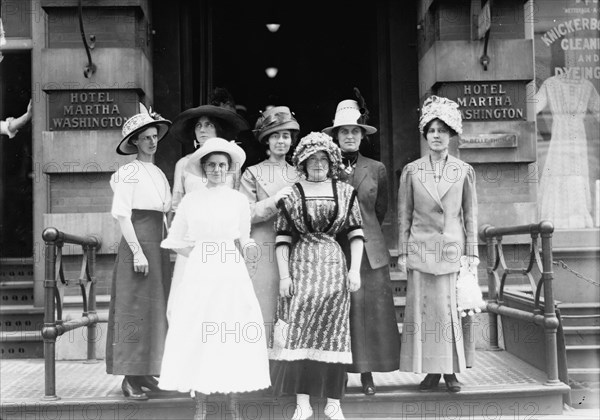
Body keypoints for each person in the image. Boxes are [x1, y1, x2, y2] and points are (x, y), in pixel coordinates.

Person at [159, 137, 270, 420]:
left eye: (223, 165)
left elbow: (244, 238)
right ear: (204, 169)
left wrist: (250, 249)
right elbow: (174, 240)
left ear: (230, 169)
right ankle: (202, 405)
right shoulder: (191, 201)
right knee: (200, 332)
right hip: (200, 273)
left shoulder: (238, 201)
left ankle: (233, 404)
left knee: (231, 332)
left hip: (231, 273)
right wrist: (197, 255)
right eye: (212, 165)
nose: (218, 170)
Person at [270, 132, 364, 420]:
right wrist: (285, 276)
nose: (319, 164)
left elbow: (356, 233)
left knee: (335, 334)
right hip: (302, 265)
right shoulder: (292, 192)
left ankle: (334, 402)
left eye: (324, 159)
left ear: (332, 161)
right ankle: (303, 402)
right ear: (303, 162)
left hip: (334, 265)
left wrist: (355, 269)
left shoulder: (346, 192)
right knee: (300, 331)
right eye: (313, 159)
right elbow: (282, 237)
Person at [397, 95, 478, 393]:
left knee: (449, 313)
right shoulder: (412, 171)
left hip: (451, 251)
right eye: (431, 130)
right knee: (425, 313)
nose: (436, 136)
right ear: (425, 134)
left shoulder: (463, 170)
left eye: (442, 131)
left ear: (451, 135)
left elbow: (470, 214)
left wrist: (472, 252)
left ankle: (451, 372)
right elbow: (404, 214)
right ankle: (430, 372)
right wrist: (403, 252)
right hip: (420, 250)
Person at [323, 99, 399, 396]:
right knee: (339, 311)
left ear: (362, 135)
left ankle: (367, 373)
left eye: (355, 131)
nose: (350, 136)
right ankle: (338, 372)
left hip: (369, 249)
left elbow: (380, 210)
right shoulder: (325, 166)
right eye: (344, 132)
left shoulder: (376, 168)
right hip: (336, 247)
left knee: (369, 313)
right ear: (336, 136)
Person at [106, 103, 172, 400]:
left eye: (154, 135)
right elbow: (122, 215)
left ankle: (146, 371)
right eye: (145, 137)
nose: (152, 141)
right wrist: (137, 252)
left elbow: (166, 214)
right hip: (138, 246)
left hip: (157, 246)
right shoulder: (128, 171)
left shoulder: (157, 172)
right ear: (134, 142)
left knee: (153, 310)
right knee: (133, 310)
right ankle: (130, 377)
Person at [167, 97, 248, 319]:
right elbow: (176, 205)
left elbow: (237, 206)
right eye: (198, 125)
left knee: (222, 305)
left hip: (222, 244)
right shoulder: (183, 165)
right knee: (187, 305)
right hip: (193, 242)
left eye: (208, 125)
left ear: (218, 130)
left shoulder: (230, 165)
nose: (202, 130)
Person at [239, 106, 300, 332]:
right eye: (275, 136)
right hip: (263, 246)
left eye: (285, 136)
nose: (280, 141)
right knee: (262, 305)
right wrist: (274, 200)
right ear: (266, 140)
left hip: (293, 247)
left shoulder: (300, 174)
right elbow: (244, 213)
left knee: (290, 306)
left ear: (292, 140)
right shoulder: (252, 173)